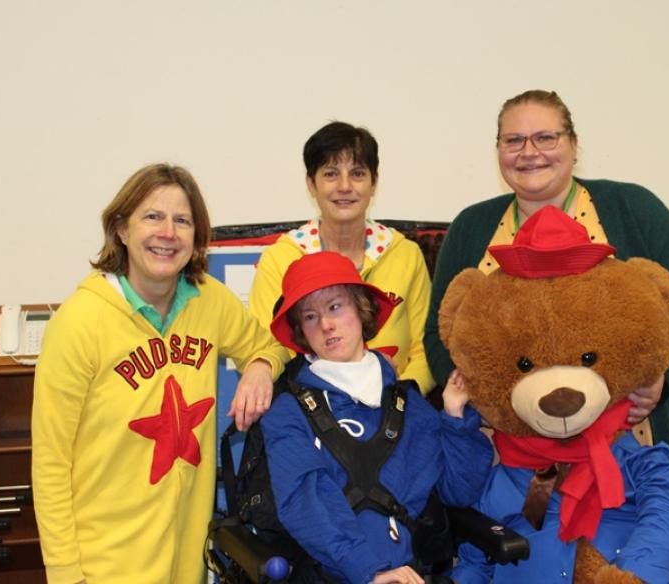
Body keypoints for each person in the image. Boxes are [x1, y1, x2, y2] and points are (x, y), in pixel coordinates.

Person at [424, 89, 669, 480]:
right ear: (498, 151)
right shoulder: (470, 227)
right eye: (513, 140)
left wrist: (660, 378)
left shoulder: (632, 207)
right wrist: (482, 400)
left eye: (546, 137)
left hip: (627, 449)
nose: (529, 152)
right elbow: (438, 334)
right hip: (507, 457)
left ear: (574, 145)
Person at [31, 163, 289, 584]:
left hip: (186, 558)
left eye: (182, 221)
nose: (168, 232)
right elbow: (50, 460)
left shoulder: (209, 301)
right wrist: (64, 572)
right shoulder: (79, 322)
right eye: (152, 216)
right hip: (103, 563)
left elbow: (270, 344)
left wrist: (261, 366)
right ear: (121, 229)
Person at [261, 251, 491, 584]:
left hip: (410, 573)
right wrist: (369, 571)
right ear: (301, 332)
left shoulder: (409, 405)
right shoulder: (287, 413)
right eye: (310, 317)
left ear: (362, 309)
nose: (326, 324)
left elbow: (459, 491)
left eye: (335, 307)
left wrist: (455, 418)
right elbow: (306, 502)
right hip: (342, 574)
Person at [249, 121, 435, 394]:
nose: (345, 186)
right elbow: (268, 346)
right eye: (331, 174)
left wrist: (399, 400)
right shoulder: (281, 258)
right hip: (309, 414)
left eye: (358, 173)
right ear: (311, 184)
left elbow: (425, 348)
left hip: (397, 409)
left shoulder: (405, 254)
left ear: (374, 183)